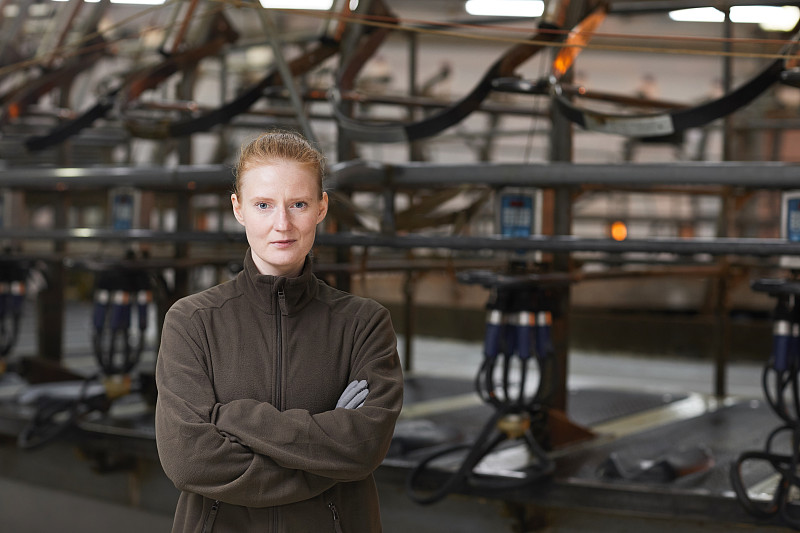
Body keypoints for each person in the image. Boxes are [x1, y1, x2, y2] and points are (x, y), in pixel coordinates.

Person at [155, 130, 404, 532]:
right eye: (264, 205)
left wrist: (233, 418)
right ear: (238, 209)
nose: (282, 224)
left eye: (299, 204)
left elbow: (364, 445)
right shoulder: (192, 321)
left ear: (322, 207)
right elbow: (189, 460)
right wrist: (328, 460)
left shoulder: (364, 324)